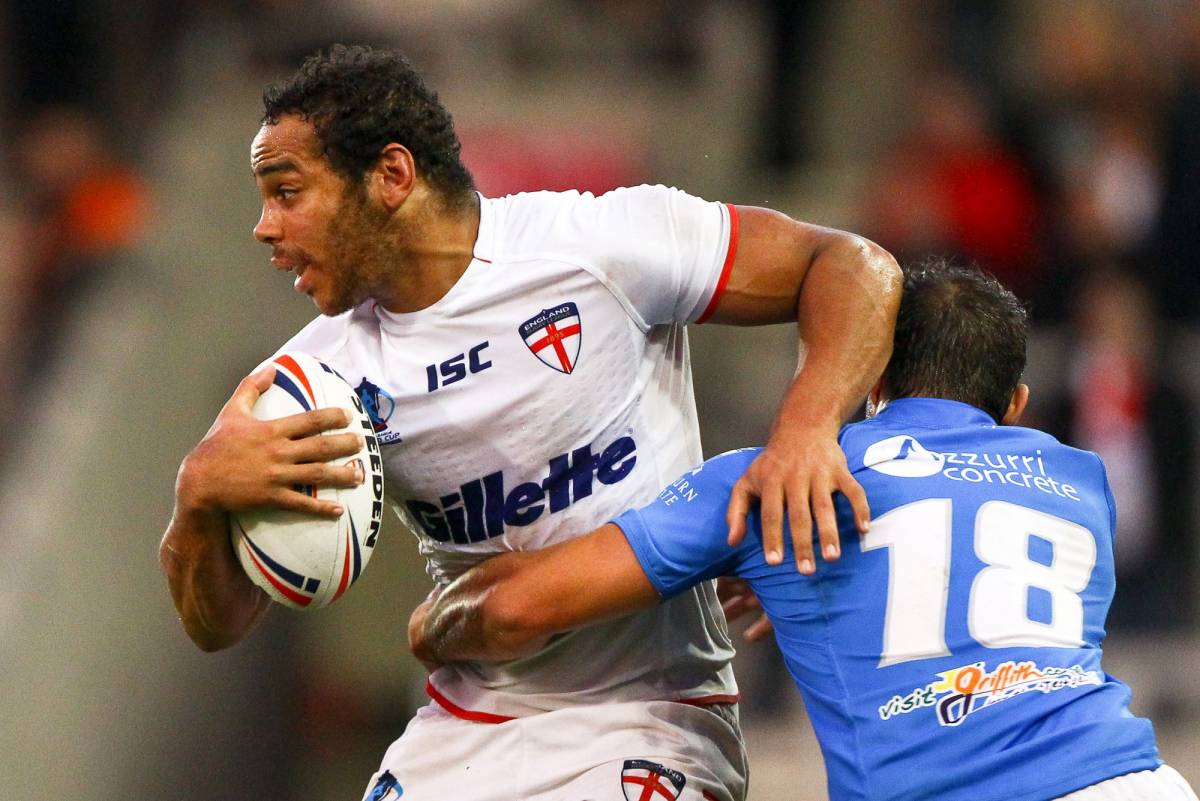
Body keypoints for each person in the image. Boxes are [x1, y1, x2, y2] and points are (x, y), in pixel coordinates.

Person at [157, 45, 902, 801]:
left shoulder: (595, 248)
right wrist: (199, 499)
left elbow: (851, 265)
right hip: (466, 724)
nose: (264, 227)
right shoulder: (316, 377)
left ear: (392, 175)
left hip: (649, 714)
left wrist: (805, 435)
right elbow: (218, 623)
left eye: (287, 192)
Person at [410, 260, 1198, 801]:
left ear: (873, 376)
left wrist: (432, 624)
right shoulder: (1079, 481)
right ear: (1016, 405)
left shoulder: (778, 482)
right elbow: (954, 570)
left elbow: (515, 608)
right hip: (1140, 780)